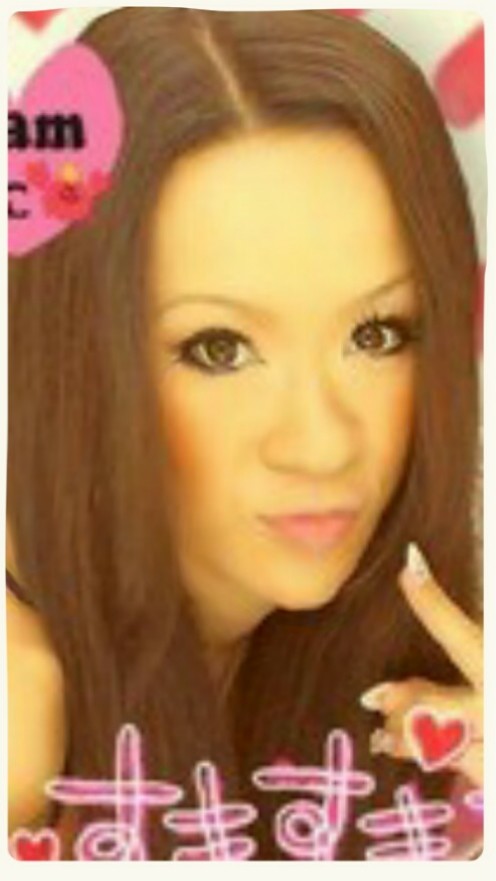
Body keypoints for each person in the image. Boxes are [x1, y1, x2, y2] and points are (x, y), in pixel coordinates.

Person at [7, 8, 482, 860]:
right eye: (219, 348)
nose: (322, 444)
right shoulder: (19, 701)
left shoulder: (434, 670)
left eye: (376, 334)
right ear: (80, 358)